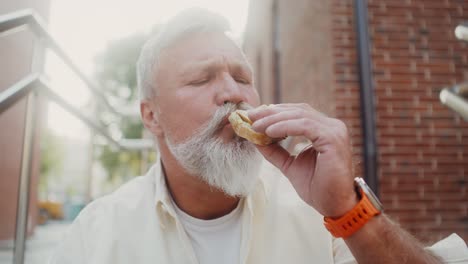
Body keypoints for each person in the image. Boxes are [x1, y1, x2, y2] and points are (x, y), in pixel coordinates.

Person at [51, 8, 468, 264]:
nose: (234, 93)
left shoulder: (320, 213)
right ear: (151, 115)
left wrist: (347, 211)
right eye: (201, 79)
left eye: (242, 77)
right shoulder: (98, 235)